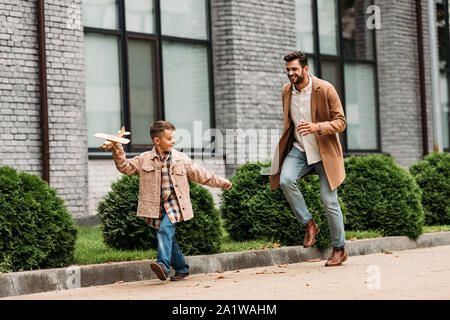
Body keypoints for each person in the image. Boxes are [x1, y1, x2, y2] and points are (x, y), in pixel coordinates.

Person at [110, 120, 232, 281]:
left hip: (175, 204)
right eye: (169, 138)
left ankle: (163, 266)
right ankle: (182, 268)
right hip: (156, 206)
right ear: (157, 141)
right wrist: (117, 147)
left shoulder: (181, 159)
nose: (173, 141)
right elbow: (125, 167)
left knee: (164, 231)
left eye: (174, 137)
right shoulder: (144, 159)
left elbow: (201, 174)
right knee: (168, 237)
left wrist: (221, 182)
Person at [270, 51, 347, 267]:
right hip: (299, 149)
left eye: (294, 69)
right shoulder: (286, 91)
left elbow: (341, 122)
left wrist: (317, 127)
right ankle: (309, 224)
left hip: (324, 152)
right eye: (287, 70)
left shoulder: (325, 89)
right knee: (285, 180)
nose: (290, 73)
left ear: (306, 69)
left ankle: (339, 249)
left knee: (329, 200)